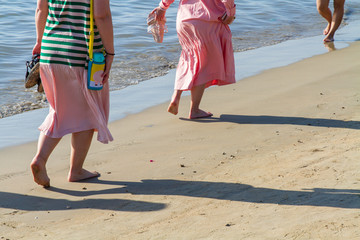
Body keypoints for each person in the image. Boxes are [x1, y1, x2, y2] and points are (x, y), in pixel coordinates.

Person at [30, 0, 114, 188]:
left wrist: (39, 41)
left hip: (50, 50)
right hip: (81, 53)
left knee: (58, 109)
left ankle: (40, 159)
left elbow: (41, 9)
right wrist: (110, 53)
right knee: (87, 112)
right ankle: (75, 170)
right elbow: (102, 16)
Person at [151, 0, 236, 119]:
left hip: (184, 20)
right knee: (204, 65)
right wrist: (231, 14)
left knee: (188, 58)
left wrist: (162, 7)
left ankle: (176, 96)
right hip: (206, 20)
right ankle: (194, 110)